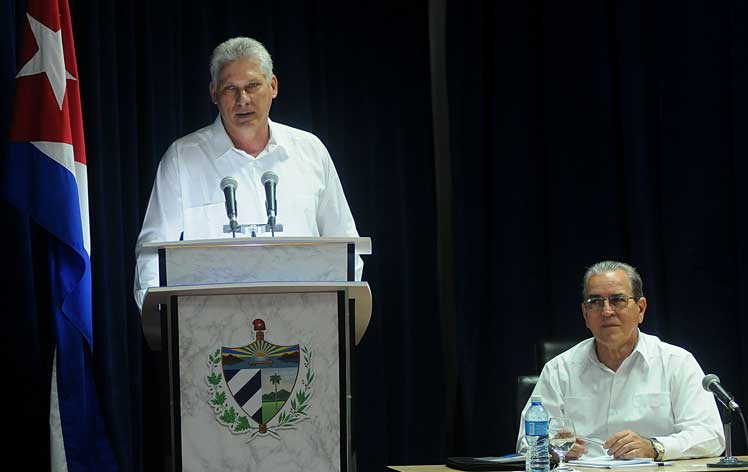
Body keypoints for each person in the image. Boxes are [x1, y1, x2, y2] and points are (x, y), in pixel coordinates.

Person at [133, 37, 362, 308]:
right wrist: (166, 325)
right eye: (231, 89)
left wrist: (332, 313)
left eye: (253, 85)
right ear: (213, 93)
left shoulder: (310, 151)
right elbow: (153, 255)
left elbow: (346, 247)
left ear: (273, 86)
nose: (243, 99)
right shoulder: (183, 158)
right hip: (210, 330)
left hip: (304, 324)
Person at [516, 261, 724, 461]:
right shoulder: (559, 370)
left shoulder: (676, 362)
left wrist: (654, 447)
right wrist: (552, 449)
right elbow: (526, 443)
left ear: (640, 309)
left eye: (617, 300)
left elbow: (710, 436)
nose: (607, 311)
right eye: (595, 302)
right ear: (585, 314)